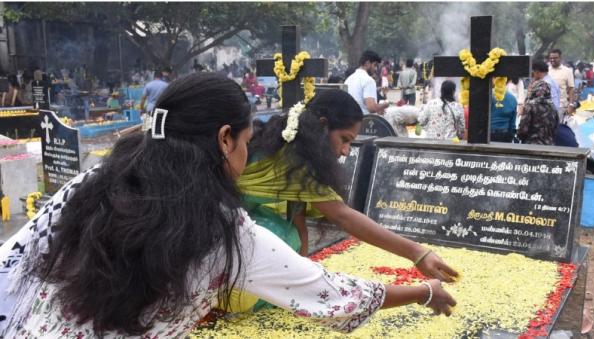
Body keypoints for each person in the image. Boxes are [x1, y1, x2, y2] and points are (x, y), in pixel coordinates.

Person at [0, 73, 456, 337]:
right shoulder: (224, 230)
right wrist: (424, 291)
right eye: (244, 141)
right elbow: (332, 293)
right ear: (224, 139)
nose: (246, 153)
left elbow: (13, 261)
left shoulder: (95, 180)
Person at [237, 88, 459, 311]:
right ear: (323, 126)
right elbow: (343, 216)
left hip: (235, 243)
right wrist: (418, 253)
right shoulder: (292, 158)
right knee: (279, 234)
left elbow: (299, 221)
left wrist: (302, 283)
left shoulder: (296, 148)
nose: (345, 151)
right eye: (345, 139)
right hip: (226, 246)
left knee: (290, 237)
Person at [518, 62, 559, 145]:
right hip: (548, 145)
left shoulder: (530, 106)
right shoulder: (552, 107)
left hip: (532, 144)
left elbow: (523, 129)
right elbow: (556, 127)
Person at [345, 50, 390, 115]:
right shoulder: (368, 80)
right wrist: (385, 104)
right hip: (363, 121)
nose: (376, 69)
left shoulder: (349, 79)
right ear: (367, 63)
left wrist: (378, 108)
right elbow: (371, 108)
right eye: (375, 65)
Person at [548, 49, 575, 121]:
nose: (552, 60)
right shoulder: (546, 71)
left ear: (560, 58)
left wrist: (571, 105)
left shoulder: (567, 71)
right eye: (551, 58)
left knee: (557, 128)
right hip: (546, 107)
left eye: (555, 58)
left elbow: (571, 89)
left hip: (560, 106)